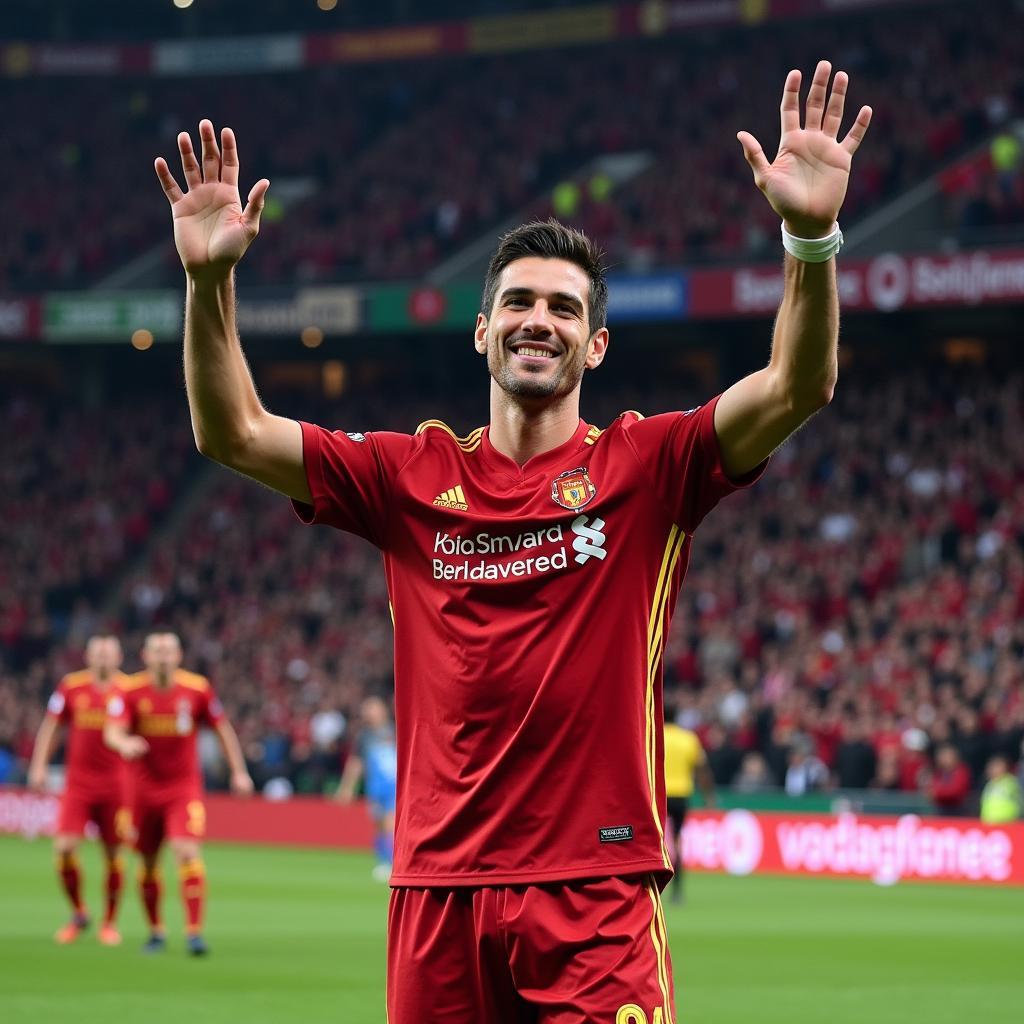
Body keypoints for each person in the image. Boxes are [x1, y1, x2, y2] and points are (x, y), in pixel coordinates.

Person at [155, 58, 871, 1021]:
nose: (542, 321)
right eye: (523, 304)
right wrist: (209, 287)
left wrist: (812, 236)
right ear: (483, 330)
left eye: (566, 308)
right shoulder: (405, 474)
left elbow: (797, 385)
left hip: (596, 895)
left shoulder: (647, 467)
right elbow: (230, 431)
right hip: (435, 893)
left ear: (597, 344)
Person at [104, 632, 253, 956]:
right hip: (141, 791)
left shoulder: (197, 689)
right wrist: (124, 742)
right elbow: (112, 730)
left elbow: (222, 728)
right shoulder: (129, 691)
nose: (163, 657)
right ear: (145, 655)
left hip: (182, 789)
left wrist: (238, 771)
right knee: (147, 860)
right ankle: (156, 930)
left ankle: (194, 932)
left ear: (179, 655)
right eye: (157, 651)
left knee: (187, 851)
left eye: (169, 651)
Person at [27, 635, 131, 946]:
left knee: (114, 854)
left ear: (119, 658)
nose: (102, 658)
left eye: (107, 653)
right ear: (87, 656)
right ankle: (79, 912)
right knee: (64, 848)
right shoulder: (71, 687)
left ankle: (110, 923)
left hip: (118, 785)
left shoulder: (129, 690)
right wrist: (39, 765)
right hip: (79, 784)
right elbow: (52, 726)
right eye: (97, 653)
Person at [336, 695, 397, 881]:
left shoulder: (395, 731)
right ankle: (383, 861)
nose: (369, 712)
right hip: (375, 787)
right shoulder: (364, 737)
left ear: (382, 710)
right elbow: (356, 763)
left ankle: (394, 863)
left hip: (394, 785)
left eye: (372, 708)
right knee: (379, 826)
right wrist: (347, 787)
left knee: (390, 825)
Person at [662, 704, 715, 904]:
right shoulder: (688, 739)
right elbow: (702, 769)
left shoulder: (654, 733)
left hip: (658, 794)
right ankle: (677, 891)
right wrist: (708, 795)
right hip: (681, 795)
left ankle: (652, 887)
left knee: (655, 841)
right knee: (677, 842)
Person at [979, 754, 1021, 824]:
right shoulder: (990, 784)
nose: (992, 769)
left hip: (1008, 822)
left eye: (997, 766)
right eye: (991, 766)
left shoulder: (1010, 783)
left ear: (1005, 767)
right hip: (989, 822)